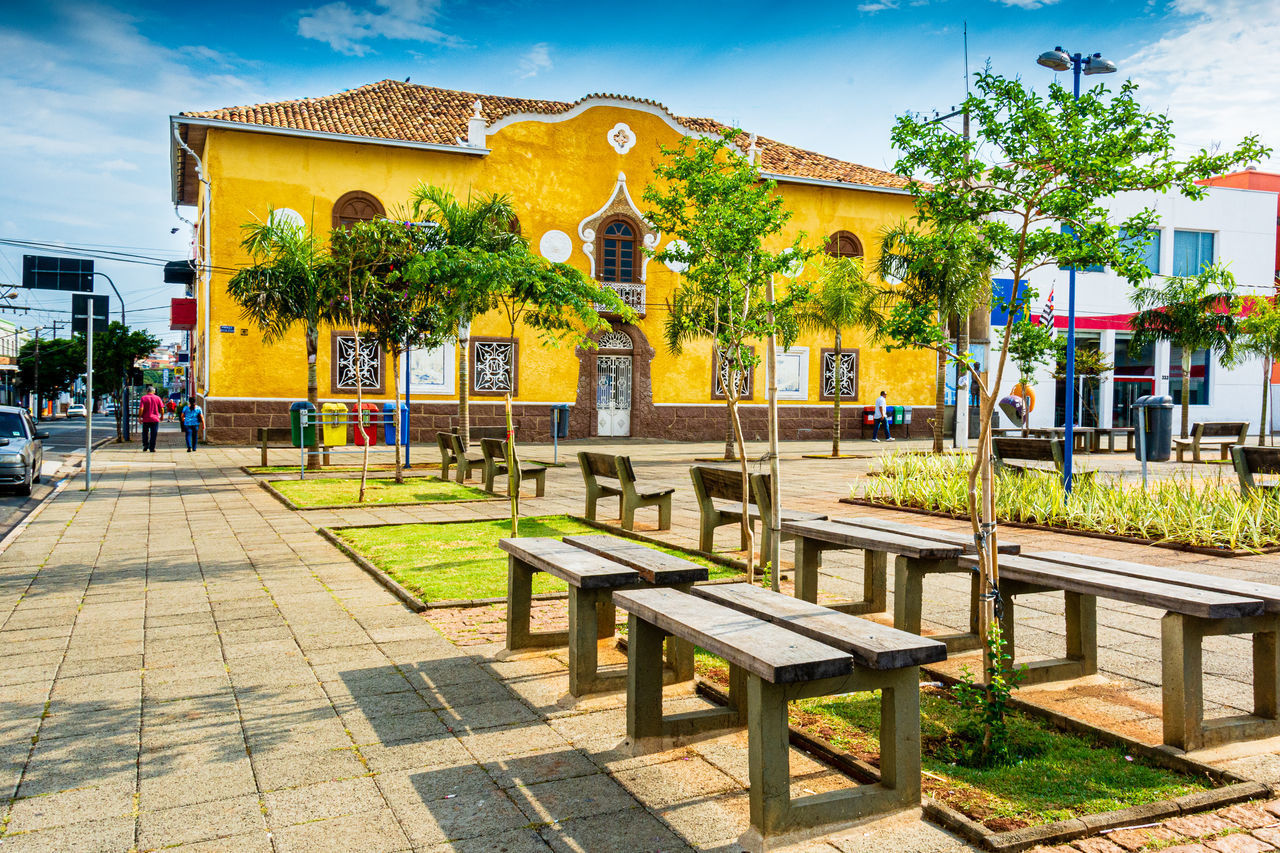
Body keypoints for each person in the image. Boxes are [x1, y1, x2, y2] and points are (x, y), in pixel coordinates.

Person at [138, 385, 163, 452]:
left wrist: (140, 417)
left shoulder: (143, 398)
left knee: (145, 433)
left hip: (146, 419)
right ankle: (152, 448)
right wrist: (162, 416)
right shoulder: (157, 398)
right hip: (155, 419)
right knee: (154, 433)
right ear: (154, 391)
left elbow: (141, 408)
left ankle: (145, 445)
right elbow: (161, 408)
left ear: (147, 391)